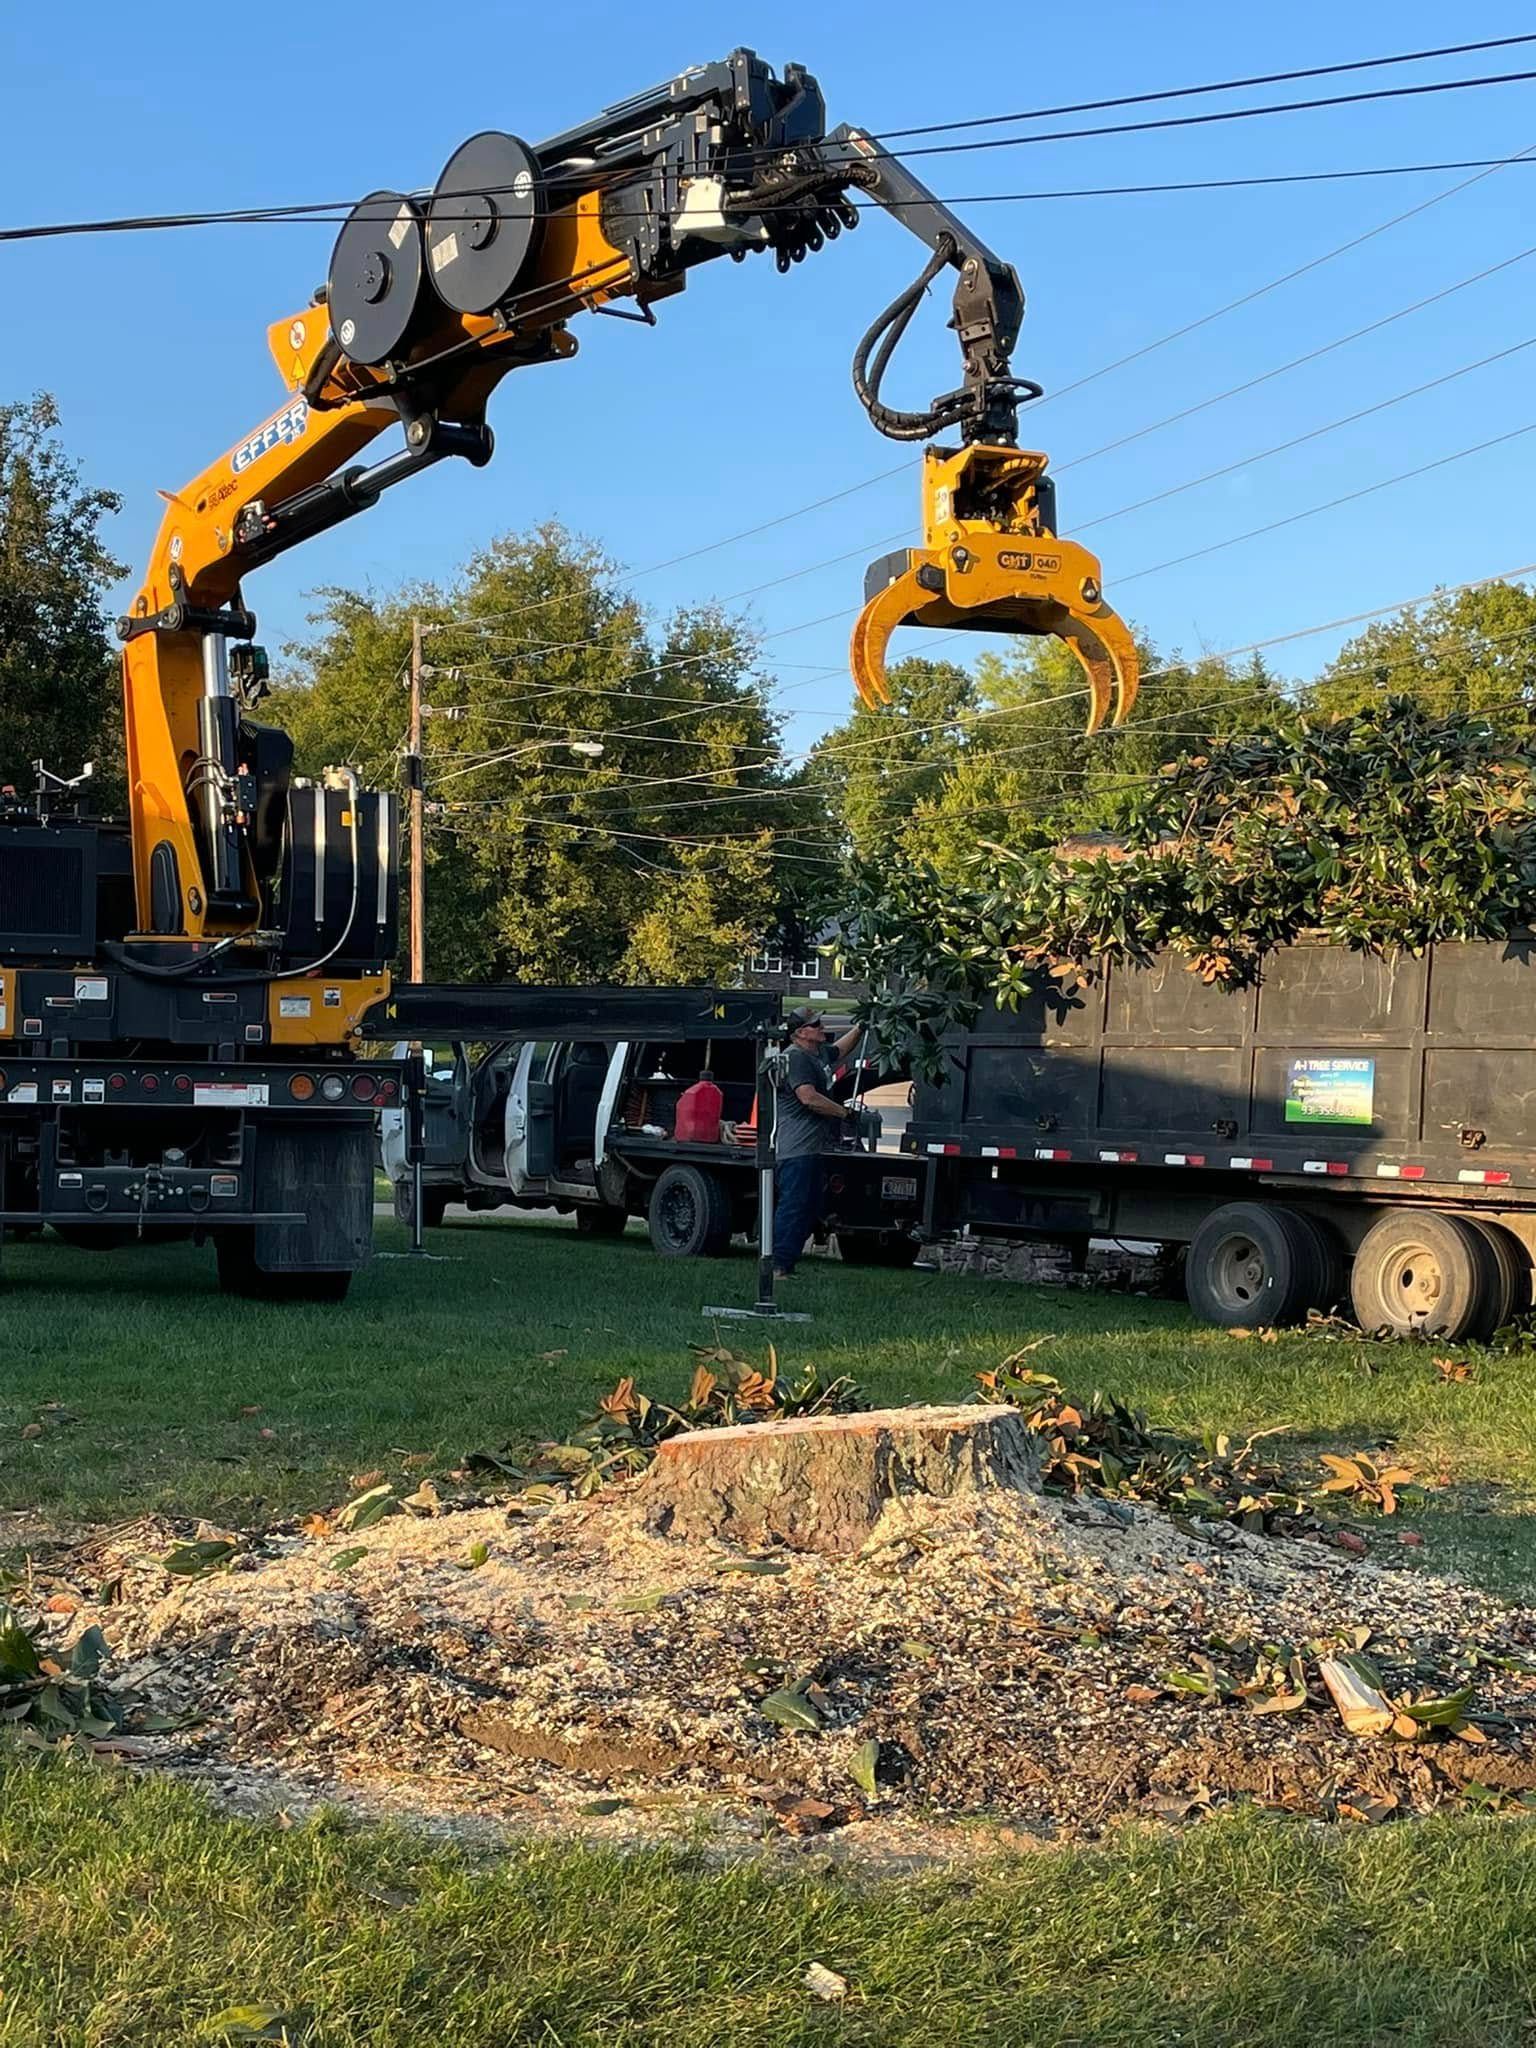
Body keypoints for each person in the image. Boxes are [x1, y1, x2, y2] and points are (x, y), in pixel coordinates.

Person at [771, 1004, 862, 1278]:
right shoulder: (796, 1058)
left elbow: (841, 1050)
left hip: (812, 1149)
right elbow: (808, 1098)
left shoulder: (817, 1052)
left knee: (810, 1207)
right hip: (796, 1150)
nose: (822, 1028)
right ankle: (778, 1265)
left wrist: (861, 1026)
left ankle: (787, 1263)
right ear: (800, 1033)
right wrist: (844, 1112)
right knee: (794, 1206)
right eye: (816, 1025)